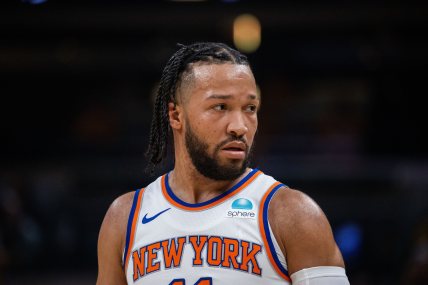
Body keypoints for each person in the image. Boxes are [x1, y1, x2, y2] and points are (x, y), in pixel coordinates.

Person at [96, 42, 350, 285]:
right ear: (175, 115)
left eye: (250, 108)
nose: (239, 126)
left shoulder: (293, 215)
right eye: (220, 106)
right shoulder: (124, 218)